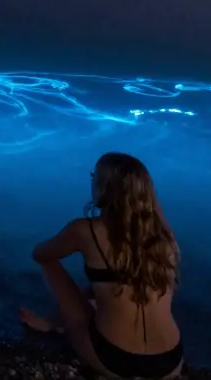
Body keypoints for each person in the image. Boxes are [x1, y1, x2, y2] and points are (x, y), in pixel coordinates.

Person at [19, 152, 184, 379]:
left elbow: (40, 253)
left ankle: (51, 323)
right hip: (170, 362)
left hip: (116, 360)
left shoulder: (85, 230)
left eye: (93, 176)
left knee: (49, 264)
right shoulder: (164, 236)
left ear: (103, 187)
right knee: (118, 283)